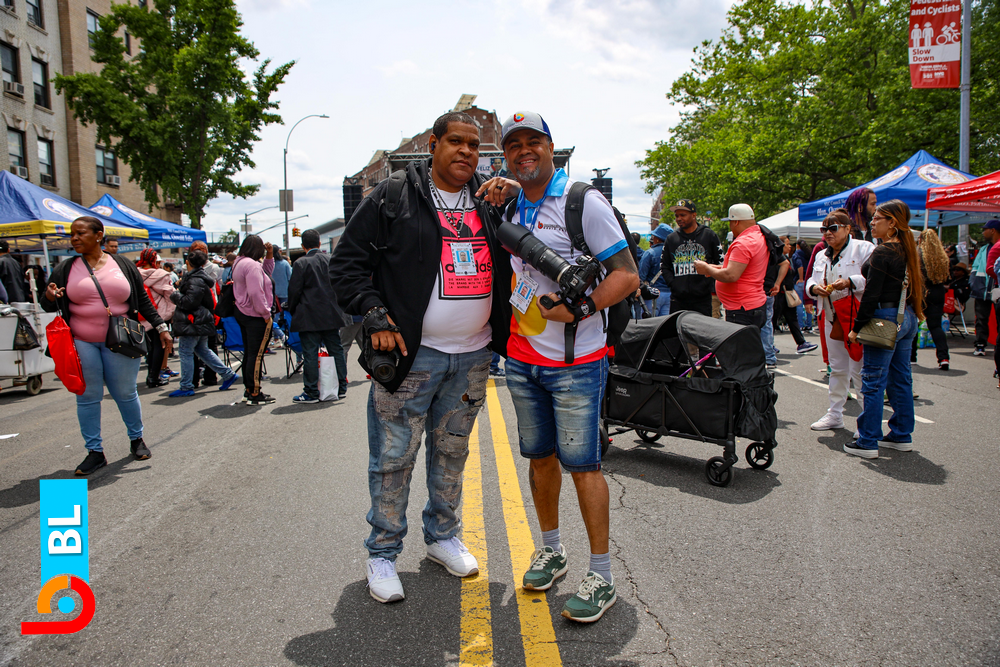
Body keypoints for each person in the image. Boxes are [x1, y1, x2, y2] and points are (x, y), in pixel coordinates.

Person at [330, 110, 515, 604]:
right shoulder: (394, 196)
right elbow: (346, 265)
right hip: (412, 358)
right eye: (456, 142)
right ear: (433, 144)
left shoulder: (489, 202)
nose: (466, 152)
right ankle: (383, 553)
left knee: (452, 452)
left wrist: (514, 194)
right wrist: (374, 314)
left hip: (472, 358)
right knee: (394, 457)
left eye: (474, 145)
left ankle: (442, 537)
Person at [497, 111, 638, 624]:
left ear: (550, 146)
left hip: (575, 362)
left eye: (533, 141)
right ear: (505, 155)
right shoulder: (512, 203)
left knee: (584, 467)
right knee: (540, 460)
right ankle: (552, 549)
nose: (524, 151)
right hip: (522, 358)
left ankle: (602, 575)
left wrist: (581, 307)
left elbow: (627, 275)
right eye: (514, 144)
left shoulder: (582, 201)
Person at [41, 217, 171, 475]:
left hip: (122, 340)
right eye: (72, 234)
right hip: (81, 342)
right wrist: (49, 296)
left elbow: (142, 299)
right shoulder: (65, 269)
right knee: (87, 396)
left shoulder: (122, 264)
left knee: (125, 392)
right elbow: (48, 304)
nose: (74, 238)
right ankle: (95, 452)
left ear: (98, 235)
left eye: (80, 233)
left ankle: (136, 439)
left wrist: (161, 327)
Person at [846, 200, 923, 458]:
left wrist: (857, 327)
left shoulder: (883, 251)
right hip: (906, 316)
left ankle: (868, 440)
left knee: (873, 380)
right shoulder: (907, 250)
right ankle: (901, 434)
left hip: (884, 317)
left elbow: (871, 294)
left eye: (878, 218)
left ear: (892, 223)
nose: (872, 222)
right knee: (901, 379)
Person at [806, 210, 874, 431]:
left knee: (860, 369)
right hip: (832, 316)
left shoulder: (864, 249)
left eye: (833, 228)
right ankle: (835, 413)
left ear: (847, 229)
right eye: (824, 229)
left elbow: (874, 279)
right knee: (837, 368)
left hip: (856, 316)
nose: (828, 233)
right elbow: (811, 280)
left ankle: (868, 422)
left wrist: (851, 282)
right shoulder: (821, 255)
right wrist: (814, 289)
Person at [166, 251, 240, 397]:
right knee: (203, 350)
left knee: (186, 351)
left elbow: (189, 302)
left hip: (193, 321)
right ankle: (228, 374)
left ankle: (186, 386)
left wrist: (175, 294)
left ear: (188, 262)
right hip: (200, 320)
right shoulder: (200, 278)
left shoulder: (195, 280)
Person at [287, 229, 348, 403]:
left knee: (310, 354)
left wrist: (292, 309)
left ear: (303, 246)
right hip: (331, 314)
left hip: (309, 315)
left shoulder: (300, 263)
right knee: (336, 350)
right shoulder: (331, 260)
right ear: (320, 243)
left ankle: (311, 391)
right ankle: (341, 387)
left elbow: (294, 291)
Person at [695, 204, 769, 329]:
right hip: (752, 303)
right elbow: (743, 269)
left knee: (740, 341)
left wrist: (707, 269)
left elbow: (731, 275)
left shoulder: (743, 243)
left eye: (730, 222)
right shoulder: (758, 237)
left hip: (741, 308)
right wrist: (714, 268)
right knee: (751, 340)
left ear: (736, 222)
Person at [232, 235, 275, 405]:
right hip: (255, 314)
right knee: (256, 355)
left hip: (243, 311)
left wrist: (269, 256)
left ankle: (249, 389)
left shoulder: (239, 262)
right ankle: (255, 393)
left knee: (250, 353)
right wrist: (266, 314)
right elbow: (256, 292)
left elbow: (266, 274)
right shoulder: (252, 265)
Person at [661, 199, 722, 316]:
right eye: (677, 216)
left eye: (683, 215)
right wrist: (674, 284)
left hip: (703, 300)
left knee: (702, 327)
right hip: (678, 300)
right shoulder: (671, 239)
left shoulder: (709, 235)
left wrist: (708, 284)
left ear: (694, 215)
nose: (679, 219)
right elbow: (664, 266)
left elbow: (720, 262)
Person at [136, 248, 176, 388]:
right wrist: (170, 313)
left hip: (141, 315)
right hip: (159, 315)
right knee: (159, 346)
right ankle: (154, 377)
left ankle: (151, 375)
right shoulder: (162, 275)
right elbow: (170, 295)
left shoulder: (134, 273)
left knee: (148, 347)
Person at [913, 229, 952, 370]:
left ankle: (912, 357)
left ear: (921, 240)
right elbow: (947, 277)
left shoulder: (918, 254)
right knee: (935, 326)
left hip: (922, 291)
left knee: (914, 324)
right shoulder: (942, 257)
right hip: (938, 291)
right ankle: (943, 358)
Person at [775, 237, 817, 354]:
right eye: (787, 244)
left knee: (792, 319)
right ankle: (768, 345)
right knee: (772, 320)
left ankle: (801, 343)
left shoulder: (785, 258)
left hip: (787, 293)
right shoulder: (776, 258)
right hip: (779, 294)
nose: (790, 246)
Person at [971, 221, 999, 357]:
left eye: (985, 230)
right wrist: (973, 284)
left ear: (993, 230)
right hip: (982, 289)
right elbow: (975, 268)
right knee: (981, 319)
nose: (983, 233)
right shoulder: (983, 250)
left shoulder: (997, 247)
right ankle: (980, 344)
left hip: (997, 288)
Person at [639, 224, 672, 316]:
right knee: (665, 322)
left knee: (650, 322)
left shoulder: (650, 253)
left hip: (653, 294)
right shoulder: (673, 253)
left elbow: (641, 276)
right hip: (670, 294)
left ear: (657, 239)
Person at [792, 240, 813, 331]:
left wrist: (800, 278)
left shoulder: (797, 254)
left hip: (800, 281)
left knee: (799, 305)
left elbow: (800, 265)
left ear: (797, 245)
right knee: (809, 303)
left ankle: (800, 325)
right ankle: (809, 324)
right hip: (809, 281)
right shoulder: (809, 254)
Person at [0, 239, 27, 303]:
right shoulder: (16, 263)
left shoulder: (1, 262)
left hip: (6, 302)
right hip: (20, 299)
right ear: (8, 250)